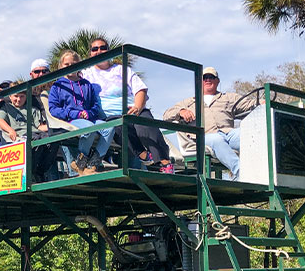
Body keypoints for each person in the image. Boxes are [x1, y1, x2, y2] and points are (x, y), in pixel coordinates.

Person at [82, 38, 174, 172]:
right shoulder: (86, 74)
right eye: (94, 49)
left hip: (132, 108)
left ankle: (165, 163)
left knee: (145, 126)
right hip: (110, 115)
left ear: (109, 51)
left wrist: (137, 107)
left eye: (103, 48)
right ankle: (143, 155)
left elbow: (140, 89)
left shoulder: (121, 69)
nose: (99, 51)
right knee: (119, 128)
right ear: (90, 53)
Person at [163, 67, 258, 180]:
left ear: (217, 81)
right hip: (203, 137)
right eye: (204, 78)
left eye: (211, 77)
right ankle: (241, 173)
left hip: (229, 134)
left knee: (252, 136)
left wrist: (261, 102)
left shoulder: (228, 98)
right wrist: (181, 111)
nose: (208, 80)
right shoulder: (189, 102)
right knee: (216, 139)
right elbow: (166, 115)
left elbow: (249, 104)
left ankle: (266, 172)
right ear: (200, 82)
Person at [48, 50, 111, 175]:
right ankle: (80, 163)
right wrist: (74, 114)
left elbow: (95, 105)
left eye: (74, 63)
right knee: (89, 128)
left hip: (88, 118)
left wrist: (89, 113)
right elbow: (53, 109)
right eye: (67, 64)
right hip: (71, 120)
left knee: (109, 127)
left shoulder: (86, 84)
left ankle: (92, 164)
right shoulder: (57, 86)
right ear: (61, 66)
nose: (71, 66)